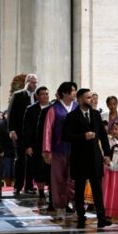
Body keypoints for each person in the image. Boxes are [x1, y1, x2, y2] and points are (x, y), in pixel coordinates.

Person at [62, 88, 112, 229]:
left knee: (97, 189)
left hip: (95, 158)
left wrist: (107, 154)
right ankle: (81, 217)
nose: (91, 99)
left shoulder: (96, 115)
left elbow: (103, 136)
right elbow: (65, 136)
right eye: (88, 97)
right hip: (79, 158)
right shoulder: (72, 116)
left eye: (91, 97)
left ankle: (101, 217)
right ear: (79, 99)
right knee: (79, 190)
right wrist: (83, 137)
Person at [42, 82, 78, 220]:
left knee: (75, 179)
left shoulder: (76, 107)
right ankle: (60, 207)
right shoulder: (54, 109)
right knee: (58, 179)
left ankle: (76, 207)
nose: (74, 93)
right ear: (64, 93)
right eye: (72, 91)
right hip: (58, 149)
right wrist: (47, 150)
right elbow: (48, 130)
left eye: (75, 91)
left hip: (75, 149)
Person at [7, 73, 38, 196]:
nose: (34, 85)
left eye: (36, 82)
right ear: (27, 82)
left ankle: (29, 186)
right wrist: (11, 129)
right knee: (20, 160)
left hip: (31, 135)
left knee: (31, 161)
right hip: (19, 133)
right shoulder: (18, 95)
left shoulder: (36, 97)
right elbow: (11, 113)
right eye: (32, 82)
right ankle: (17, 186)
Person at [23, 86, 51, 199]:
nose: (45, 96)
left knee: (50, 169)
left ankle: (51, 191)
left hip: (50, 144)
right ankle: (41, 192)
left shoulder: (52, 108)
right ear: (37, 96)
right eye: (43, 94)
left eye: (47, 94)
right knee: (39, 169)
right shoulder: (31, 109)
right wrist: (28, 146)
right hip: (36, 144)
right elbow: (26, 128)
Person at [0, 110, 14, 188]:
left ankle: (13, 186)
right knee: (7, 171)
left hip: (14, 150)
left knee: (14, 171)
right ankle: (8, 186)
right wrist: (1, 150)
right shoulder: (1, 124)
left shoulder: (14, 123)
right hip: (5, 151)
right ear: (4, 115)